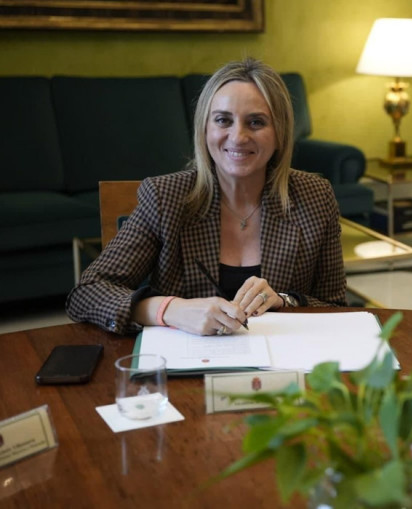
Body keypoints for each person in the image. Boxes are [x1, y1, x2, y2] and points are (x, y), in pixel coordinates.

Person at [67, 58, 346, 336]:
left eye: (256, 122)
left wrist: (286, 301)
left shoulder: (315, 196)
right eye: (223, 120)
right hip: (184, 361)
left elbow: (336, 308)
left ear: (280, 132)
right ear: (204, 128)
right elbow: (86, 293)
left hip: (282, 361)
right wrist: (169, 309)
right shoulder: (165, 197)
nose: (238, 137)